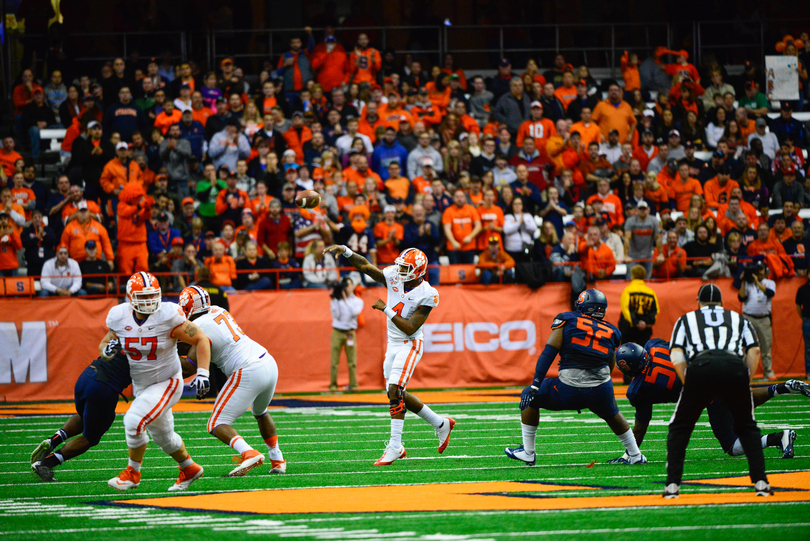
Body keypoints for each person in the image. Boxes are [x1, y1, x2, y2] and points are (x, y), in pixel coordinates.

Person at [325, 244, 455, 465]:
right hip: (393, 343)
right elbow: (366, 266)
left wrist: (386, 309)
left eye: (405, 268)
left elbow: (410, 328)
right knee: (395, 392)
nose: (399, 271)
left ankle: (395, 446)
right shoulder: (395, 276)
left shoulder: (428, 294)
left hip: (410, 343)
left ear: (418, 272)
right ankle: (440, 423)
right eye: (400, 266)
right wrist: (347, 251)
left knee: (395, 389)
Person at [504, 289, 646, 466]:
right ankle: (635, 454)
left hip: (568, 387)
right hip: (601, 387)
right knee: (613, 414)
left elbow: (549, 353)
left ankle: (528, 452)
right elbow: (609, 364)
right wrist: (597, 385)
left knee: (529, 396)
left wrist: (535, 384)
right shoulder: (613, 331)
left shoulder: (568, 319)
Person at [100, 272, 212, 491]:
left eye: (152, 295)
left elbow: (201, 339)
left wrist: (203, 373)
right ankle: (189, 467)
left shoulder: (168, 315)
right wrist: (106, 351)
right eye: (143, 297)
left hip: (167, 381)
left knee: (133, 420)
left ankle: (132, 473)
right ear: (130, 297)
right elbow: (105, 344)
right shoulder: (119, 316)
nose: (149, 301)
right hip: (142, 385)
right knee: (164, 438)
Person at [613, 339, 806, 462]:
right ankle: (784, 387)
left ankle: (778, 438)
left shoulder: (640, 388)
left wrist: (630, 453)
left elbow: (641, 427)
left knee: (732, 447)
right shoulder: (654, 346)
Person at [664, 284, 770, 498]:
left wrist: (687, 381)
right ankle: (761, 482)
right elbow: (755, 350)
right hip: (733, 367)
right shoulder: (738, 318)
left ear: (698, 302)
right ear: (721, 303)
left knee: (680, 428)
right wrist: (745, 379)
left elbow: (676, 352)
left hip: (701, 367)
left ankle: (673, 485)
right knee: (747, 427)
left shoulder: (686, 319)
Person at [178, 286, 286, 476]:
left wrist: (162, 355)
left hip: (248, 369)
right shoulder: (218, 310)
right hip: (267, 361)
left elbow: (189, 367)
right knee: (260, 412)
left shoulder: (198, 326)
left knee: (215, 423)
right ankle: (277, 459)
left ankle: (249, 452)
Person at [30, 344, 135, 481]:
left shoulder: (126, 332)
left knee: (85, 416)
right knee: (90, 437)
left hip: (88, 374)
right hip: (103, 386)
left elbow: (105, 343)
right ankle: (46, 463)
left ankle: (53, 440)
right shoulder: (150, 343)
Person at [737, 262, 776, 380]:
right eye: (757, 269)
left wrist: (757, 282)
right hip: (748, 317)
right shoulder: (747, 283)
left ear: (765, 270)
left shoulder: (770, 282)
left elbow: (770, 293)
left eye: (761, 269)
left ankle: (768, 372)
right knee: (745, 346)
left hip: (763, 319)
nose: (759, 272)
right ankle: (744, 374)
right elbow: (741, 297)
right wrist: (743, 281)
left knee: (766, 346)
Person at [618, 264, 659, 368]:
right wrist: (645, 322)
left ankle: (627, 377)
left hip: (628, 329)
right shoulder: (651, 292)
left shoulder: (628, 290)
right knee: (643, 356)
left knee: (626, 355)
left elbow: (626, 309)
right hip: (645, 330)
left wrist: (636, 322)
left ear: (632, 276)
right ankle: (643, 375)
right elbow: (655, 310)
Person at [329, 276, 364, 392]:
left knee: (352, 362)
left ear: (353, 286)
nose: (346, 288)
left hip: (350, 332)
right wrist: (336, 299)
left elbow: (354, 313)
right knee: (334, 361)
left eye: (348, 285)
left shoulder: (358, 301)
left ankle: (353, 385)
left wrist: (345, 299)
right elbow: (337, 316)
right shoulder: (337, 300)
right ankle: (333, 385)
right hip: (337, 331)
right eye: (345, 285)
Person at [442, 189, 482, 264]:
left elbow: (478, 226)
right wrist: (453, 242)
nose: (459, 199)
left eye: (461, 197)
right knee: (454, 270)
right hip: (453, 247)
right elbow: (447, 229)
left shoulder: (471, 209)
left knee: (468, 269)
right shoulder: (448, 211)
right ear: (453, 198)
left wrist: (470, 237)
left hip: (469, 246)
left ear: (465, 198)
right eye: (457, 197)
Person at [623, 201, 659, 277]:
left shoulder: (653, 221)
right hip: (633, 255)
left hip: (648, 255)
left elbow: (658, 237)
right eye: (640, 209)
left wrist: (661, 254)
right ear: (637, 210)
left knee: (647, 279)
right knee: (631, 277)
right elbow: (627, 239)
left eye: (644, 209)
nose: (642, 211)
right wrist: (626, 255)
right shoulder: (630, 221)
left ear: (647, 209)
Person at [0, 211, 23, 276]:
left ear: (8, 221)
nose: (3, 221)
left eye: (5, 219)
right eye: (1, 219)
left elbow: (19, 247)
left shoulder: (13, 231)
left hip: (12, 266)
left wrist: (12, 235)